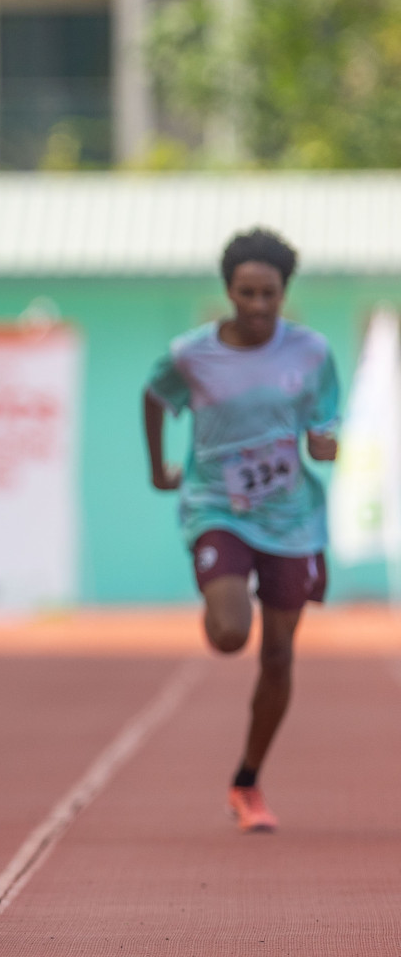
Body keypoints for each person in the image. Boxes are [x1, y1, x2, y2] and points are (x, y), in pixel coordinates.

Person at [144, 227, 340, 834]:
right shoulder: (190, 355)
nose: (257, 307)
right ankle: (220, 587)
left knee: (278, 656)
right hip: (217, 508)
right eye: (246, 293)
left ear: (285, 293)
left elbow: (323, 420)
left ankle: (247, 781)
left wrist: (323, 441)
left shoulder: (311, 353)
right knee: (231, 634)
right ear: (229, 291)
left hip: (290, 519)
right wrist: (159, 469)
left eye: (269, 295)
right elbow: (154, 397)